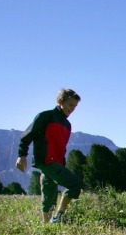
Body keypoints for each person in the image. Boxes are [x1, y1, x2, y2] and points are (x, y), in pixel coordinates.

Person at [15, 88, 82, 224]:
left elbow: (61, 147)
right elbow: (28, 135)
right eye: (70, 105)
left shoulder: (67, 125)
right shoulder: (46, 116)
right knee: (74, 184)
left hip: (56, 163)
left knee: (49, 193)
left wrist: (62, 164)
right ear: (60, 101)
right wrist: (22, 155)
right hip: (46, 161)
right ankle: (59, 216)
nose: (72, 109)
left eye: (75, 106)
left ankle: (47, 226)